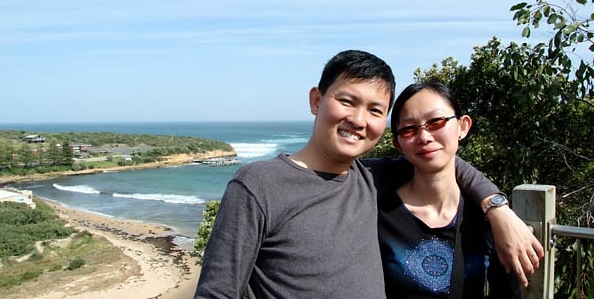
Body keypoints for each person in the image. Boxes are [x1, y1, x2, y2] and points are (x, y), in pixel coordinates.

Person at [194, 50, 541, 299]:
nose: (359, 120)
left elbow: (443, 161)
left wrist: (498, 209)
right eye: (347, 101)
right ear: (317, 100)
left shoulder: (370, 179)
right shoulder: (259, 184)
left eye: (375, 110)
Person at [377, 82, 523, 298]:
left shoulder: (488, 221)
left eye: (436, 122)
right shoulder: (378, 213)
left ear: (462, 127)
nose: (424, 137)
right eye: (409, 129)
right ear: (398, 144)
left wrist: (498, 210)